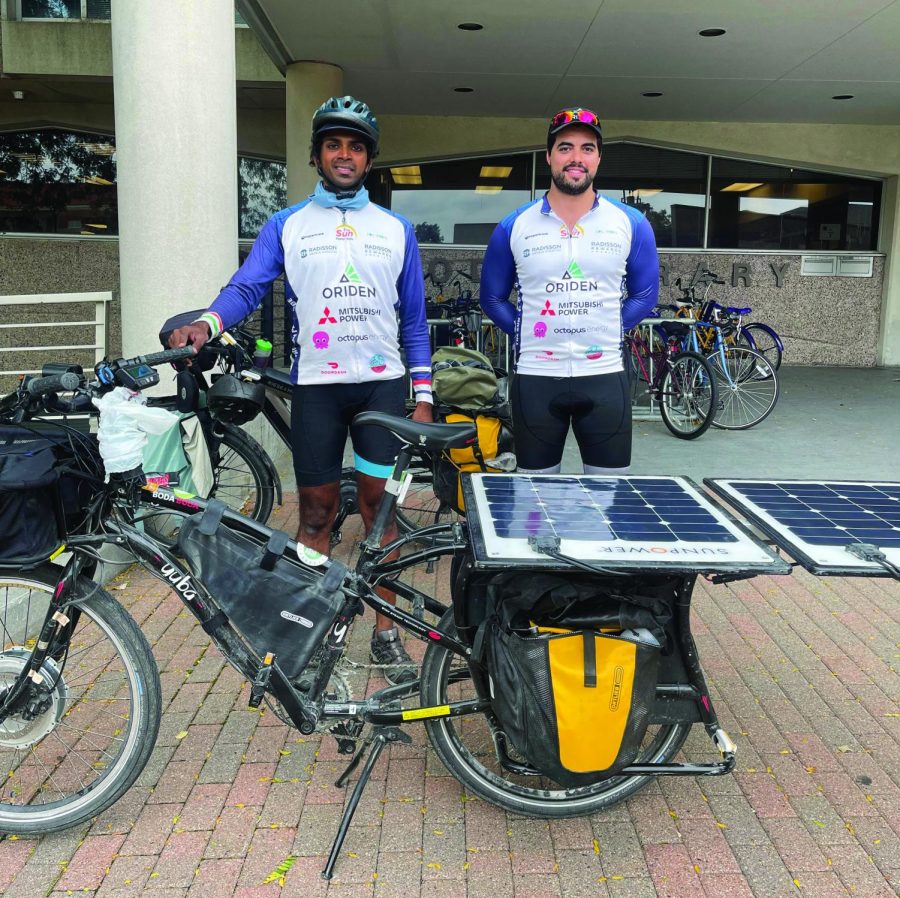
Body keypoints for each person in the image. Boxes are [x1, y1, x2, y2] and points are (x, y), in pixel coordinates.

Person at [169, 95, 432, 684]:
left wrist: (425, 391)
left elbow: (414, 319)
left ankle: (387, 632)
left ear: (369, 160)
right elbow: (246, 287)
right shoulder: (286, 225)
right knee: (315, 512)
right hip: (317, 388)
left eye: (356, 146)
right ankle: (306, 628)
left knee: (379, 513)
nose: (345, 154)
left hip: (382, 389)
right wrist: (208, 322)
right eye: (334, 144)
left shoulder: (396, 229)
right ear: (317, 156)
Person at [479, 107, 659, 475]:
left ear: (598, 158)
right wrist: (526, 329)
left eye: (587, 148)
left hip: (605, 377)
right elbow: (492, 298)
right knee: (537, 501)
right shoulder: (514, 225)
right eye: (565, 147)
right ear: (548, 156)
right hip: (536, 378)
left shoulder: (631, 223)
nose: (576, 157)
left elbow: (645, 295)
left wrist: (610, 327)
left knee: (609, 497)